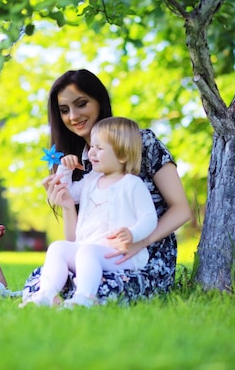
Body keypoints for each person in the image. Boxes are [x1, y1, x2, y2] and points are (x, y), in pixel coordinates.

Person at [22, 69, 191, 305]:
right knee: (45, 276)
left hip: (145, 253)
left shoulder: (140, 142)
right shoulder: (82, 162)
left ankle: (81, 298)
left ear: (100, 101)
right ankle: (50, 297)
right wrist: (67, 205)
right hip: (95, 252)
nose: (73, 116)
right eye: (64, 110)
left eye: (81, 104)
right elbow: (77, 239)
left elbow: (181, 209)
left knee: (101, 286)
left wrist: (138, 241)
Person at [23, 117, 158, 308]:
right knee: (57, 248)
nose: (91, 152)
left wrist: (133, 234)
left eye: (99, 148)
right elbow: (66, 193)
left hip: (121, 254)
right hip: (90, 250)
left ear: (122, 155)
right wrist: (65, 168)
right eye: (92, 147)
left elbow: (149, 217)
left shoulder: (132, 184)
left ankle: (85, 297)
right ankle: (47, 294)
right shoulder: (91, 181)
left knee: (87, 251)